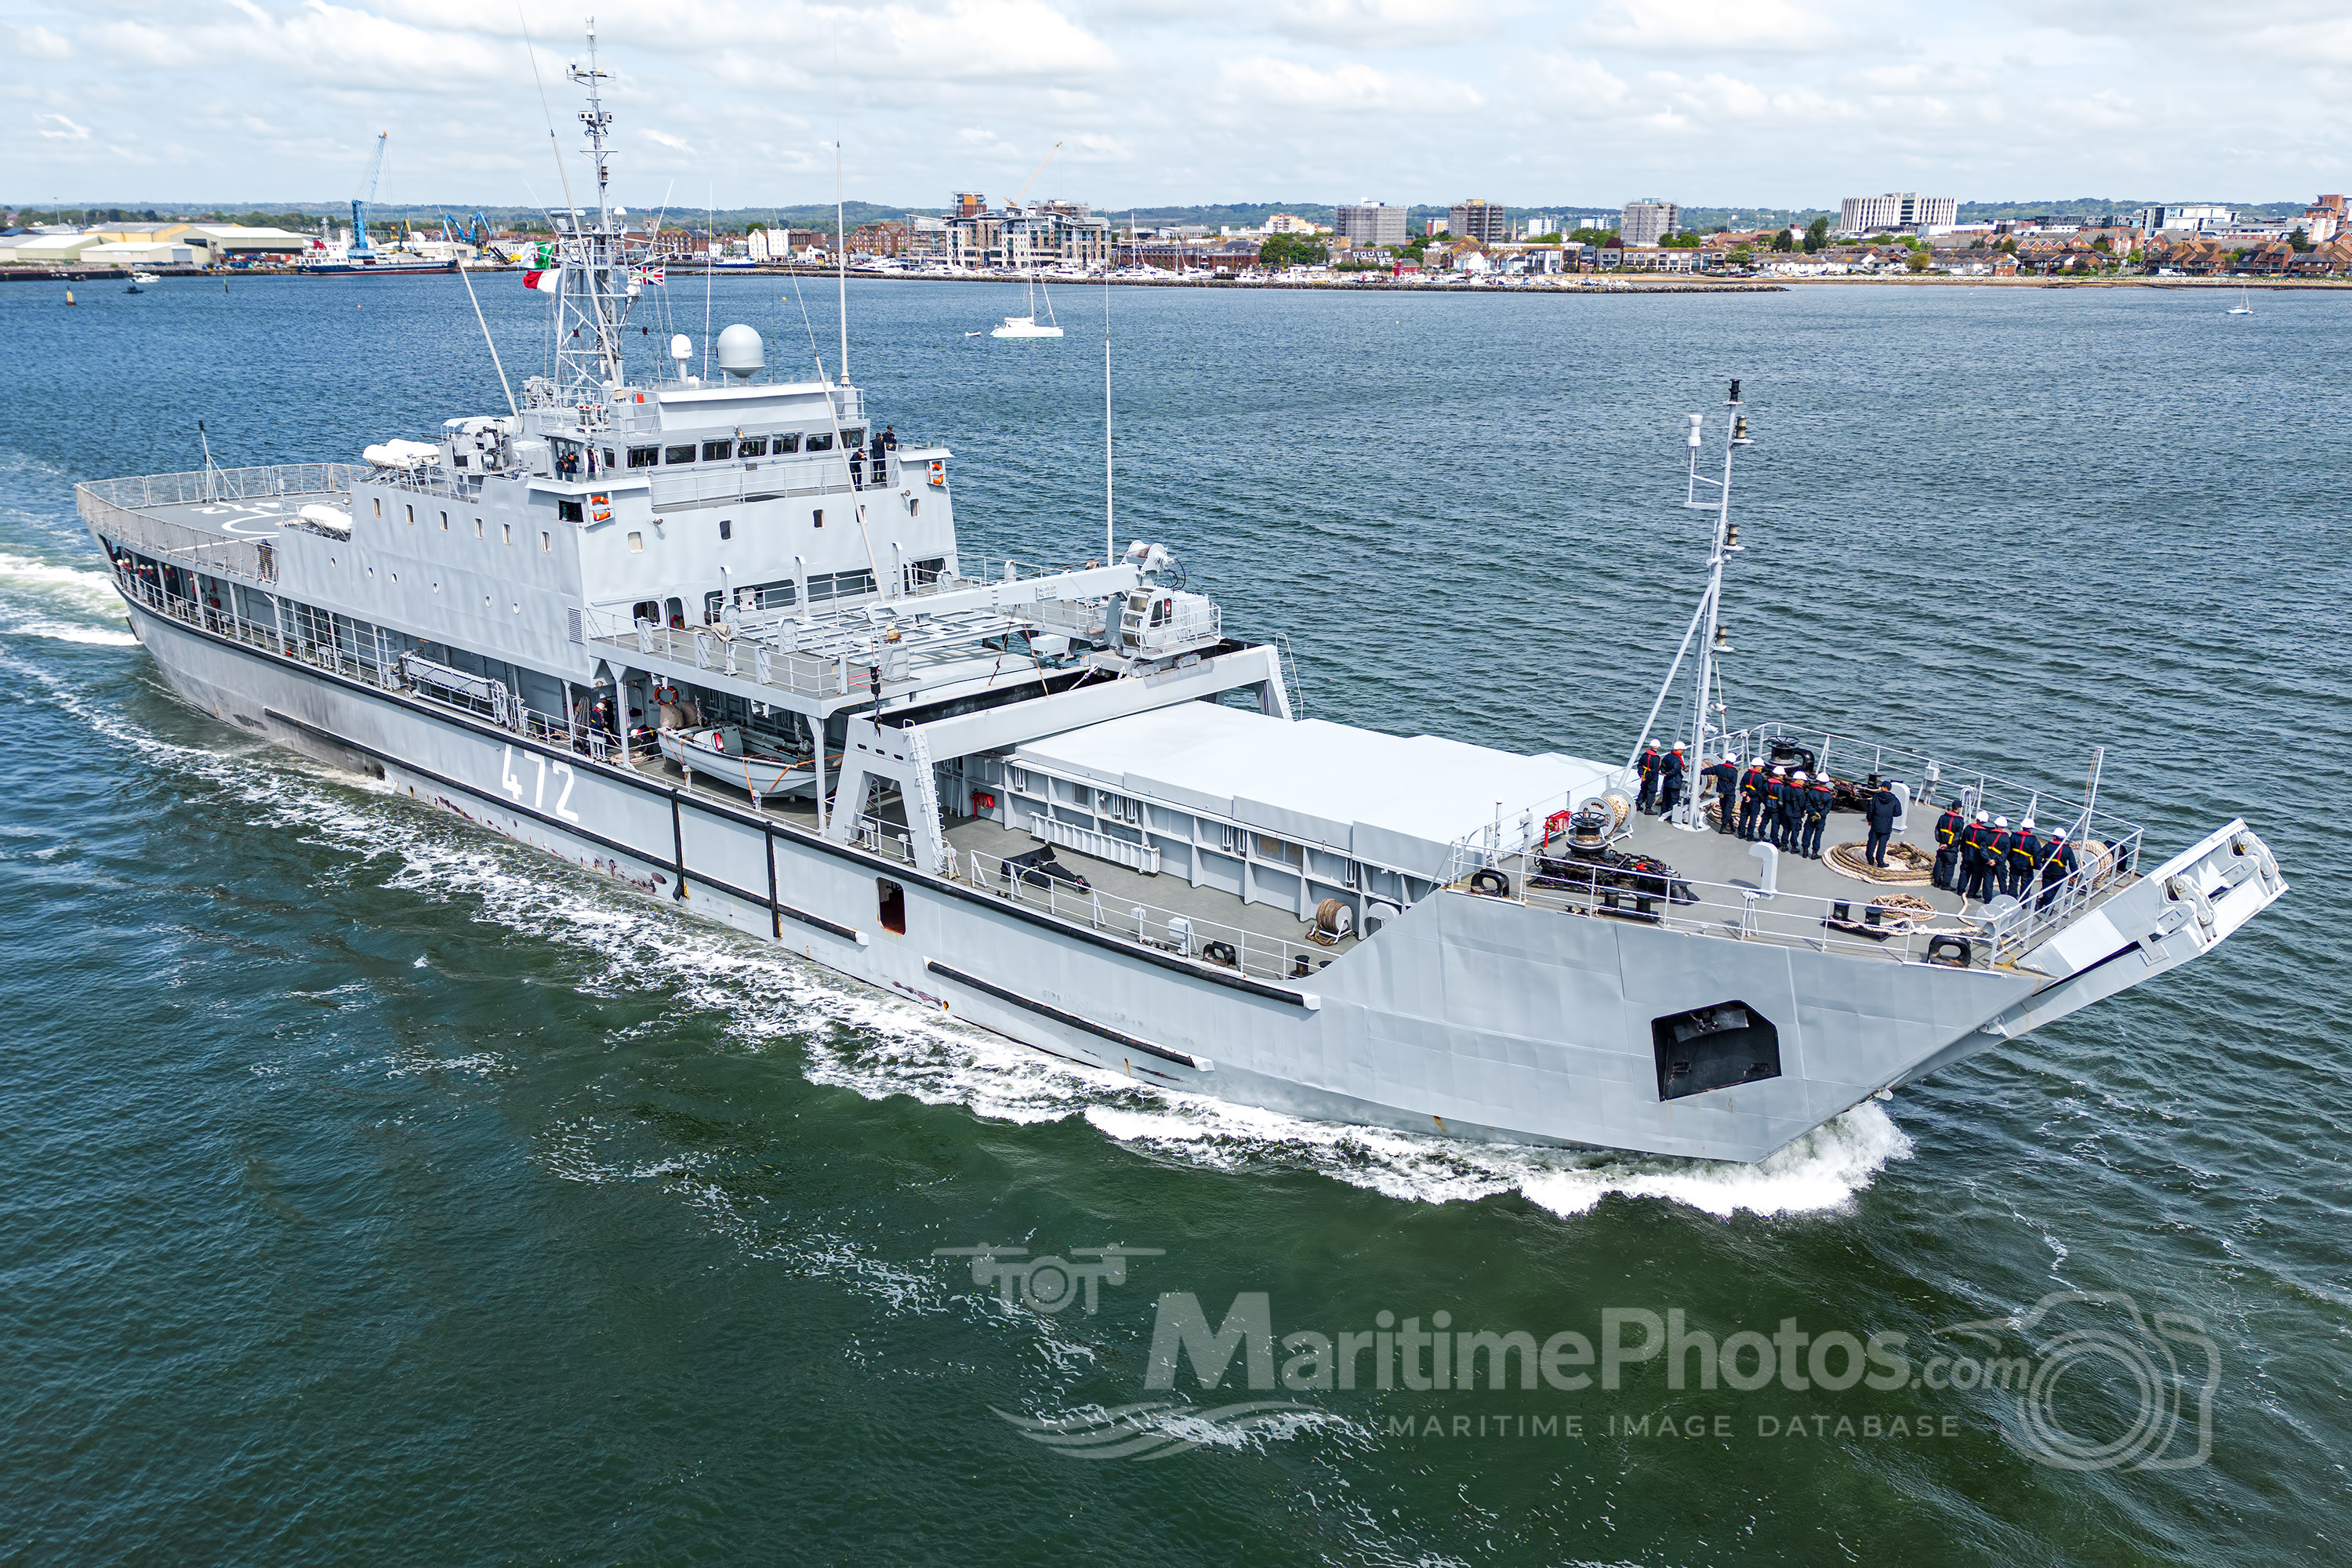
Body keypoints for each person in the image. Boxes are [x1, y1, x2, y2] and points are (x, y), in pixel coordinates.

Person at [1958, 811, 1994, 903]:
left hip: (1967, 854)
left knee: (1964, 872)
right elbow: (1984, 848)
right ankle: (1972, 893)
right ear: (1985, 821)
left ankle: (1960, 890)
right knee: (1977, 875)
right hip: (1978, 858)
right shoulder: (1985, 833)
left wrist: (1962, 851)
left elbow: (1963, 841)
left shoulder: (1968, 828)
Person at [2038, 829, 2078, 912]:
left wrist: (2040, 866)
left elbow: (2039, 857)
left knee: (2047, 890)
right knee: (2056, 892)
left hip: (2047, 872)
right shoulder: (2067, 849)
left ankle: (2042, 902)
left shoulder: (2048, 846)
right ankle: (2048, 909)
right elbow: (2073, 863)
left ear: (2055, 837)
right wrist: (2075, 875)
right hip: (2060, 874)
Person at [1701, 754, 1740, 833]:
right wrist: (1725, 792)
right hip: (1729, 794)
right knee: (1728, 810)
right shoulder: (1734, 772)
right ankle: (1723, 828)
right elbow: (1732, 785)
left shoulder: (1719, 768)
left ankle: (1731, 825)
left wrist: (1700, 772)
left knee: (1724, 808)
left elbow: (1709, 771)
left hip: (1721, 793)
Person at [1864, 782, 1900, 867]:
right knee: (1882, 844)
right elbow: (1898, 812)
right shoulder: (1894, 799)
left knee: (1872, 842)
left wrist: (1869, 820)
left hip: (1875, 824)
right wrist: (1889, 814)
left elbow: (1870, 810)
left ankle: (1870, 859)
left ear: (1884, 788)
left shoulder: (1876, 797)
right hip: (1886, 826)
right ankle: (1880, 862)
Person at [1933, 802, 1965, 891]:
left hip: (1941, 845)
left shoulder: (1943, 817)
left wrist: (1940, 841)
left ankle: (1936, 882)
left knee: (1939, 863)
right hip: (1951, 848)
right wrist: (1948, 845)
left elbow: (1937, 830)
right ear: (1959, 809)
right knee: (1949, 866)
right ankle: (1946, 885)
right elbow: (1957, 836)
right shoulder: (1959, 821)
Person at [1802, 770, 1835, 858]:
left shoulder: (1812, 792)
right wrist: (1820, 815)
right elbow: (1827, 808)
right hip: (1821, 818)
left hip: (1811, 816)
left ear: (1818, 781)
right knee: (1818, 834)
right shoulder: (1829, 796)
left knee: (1807, 832)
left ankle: (1805, 851)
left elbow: (1808, 805)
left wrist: (1814, 813)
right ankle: (1814, 853)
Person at [2009, 818, 2043, 899]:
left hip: (2014, 863)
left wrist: (2010, 860)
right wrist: (2037, 866)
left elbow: (2008, 849)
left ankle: (2011, 898)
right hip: (2027, 866)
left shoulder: (2014, 836)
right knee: (2026, 884)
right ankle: (2023, 901)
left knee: (2013, 882)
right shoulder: (2033, 840)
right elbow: (2037, 854)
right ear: (2030, 829)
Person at [1737, 758, 1768, 839]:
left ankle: (1741, 833)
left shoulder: (1746, 774)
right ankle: (1750, 836)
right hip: (1755, 800)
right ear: (1758, 766)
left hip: (1745, 799)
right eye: (1761, 766)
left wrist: (1745, 794)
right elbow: (1759, 790)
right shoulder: (1759, 777)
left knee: (1743, 816)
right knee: (1753, 818)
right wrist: (1749, 794)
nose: (1762, 768)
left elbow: (1742, 785)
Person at [1658, 744, 1687, 818]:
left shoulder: (1667, 756)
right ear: (1679, 750)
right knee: (1674, 800)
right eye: (1683, 750)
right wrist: (1668, 774)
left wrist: (1665, 773)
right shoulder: (1677, 759)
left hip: (1667, 782)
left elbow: (1662, 766)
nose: (1684, 751)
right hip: (1675, 782)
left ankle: (1663, 812)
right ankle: (1671, 815)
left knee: (1666, 798)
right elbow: (1675, 770)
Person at [1635, 740, 1662, 815]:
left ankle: (1638, 804)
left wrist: (1642, 775)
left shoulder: (1645, 755)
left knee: (1643, 790)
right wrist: (1648, 776)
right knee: (1651, 792)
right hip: (1652, 778)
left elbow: (1639, 764)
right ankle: (1648, 808)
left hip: (1644, 776)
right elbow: (1655, 770)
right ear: (1658, 748)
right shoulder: (1656, 758)